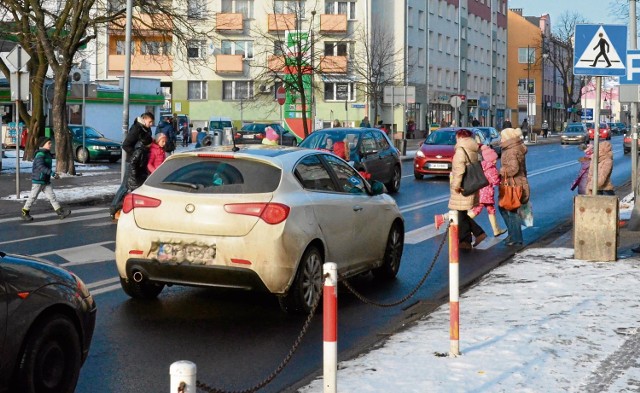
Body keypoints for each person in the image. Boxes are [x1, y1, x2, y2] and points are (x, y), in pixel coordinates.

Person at [447, 128, 487, 250]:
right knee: (462, 213)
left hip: (463, 186)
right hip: (472, 184)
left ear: (459, 137)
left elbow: (459, 171)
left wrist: (456, 186)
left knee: (459, 213)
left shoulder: (460, 150)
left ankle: (471, 237)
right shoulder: (473, 148)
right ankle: (470, 239)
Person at [109, 112, 154, 219]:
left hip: (141, 161)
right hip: (132, 162)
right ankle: (113, 208)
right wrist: (136, 155)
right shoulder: (136, 129)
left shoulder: (146, 129)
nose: (151, 124)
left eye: (152, 122)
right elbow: (126, 145)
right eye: (150, 122)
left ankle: (133, 209)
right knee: (125, 186)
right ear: (144, 119)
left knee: (138, 186)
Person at [21, 137, 71, 221]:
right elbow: (41, 167)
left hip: (45, 181)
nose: (50, 145)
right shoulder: (40, 154)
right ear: (43, 145)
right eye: (49, 143)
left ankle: (60, 212)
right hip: (38, 180)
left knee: (52, 197)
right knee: (33, 197)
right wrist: (51, 173)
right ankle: (25, 211)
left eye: (50, 143)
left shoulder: (47, 153)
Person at [499, 127, 530, 246]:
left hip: (513, 184)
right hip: (517, 182)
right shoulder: (513, 148)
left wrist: (501, 171)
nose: (500, 139)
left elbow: (514, 168)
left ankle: (516, 238)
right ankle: (512, 235)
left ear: (507, 138)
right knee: (505, 209)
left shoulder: (511, 150)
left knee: (511, 210)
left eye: (502, 136)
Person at [469, 145, 507, 237]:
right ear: (491, 159)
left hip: (481, 192)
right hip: (486, 193)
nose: (496, 160)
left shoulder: (483, 166)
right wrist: (501, 177)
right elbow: (495, 181)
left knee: (490, 210)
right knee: (477, 210)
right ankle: (463, 224)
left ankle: (496, 229)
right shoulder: (491, 169)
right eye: (494, 159)